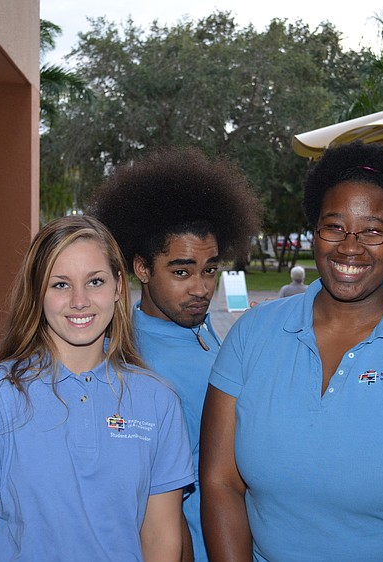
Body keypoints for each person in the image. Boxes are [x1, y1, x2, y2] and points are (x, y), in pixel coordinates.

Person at [200, 140, 383, 562]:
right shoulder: (252, 333)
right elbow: (220, 483)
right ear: (315, 230)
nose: (350, 246)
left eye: (373, 230)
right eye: (334, 226)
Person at [0, 216, 194, 560]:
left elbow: (162, 542)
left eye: (95, 281)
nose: (79, 301)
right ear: (37, 292)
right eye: (60, 285)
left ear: (117, 287)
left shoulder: (159, 401)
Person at [89, 146, 262, 561]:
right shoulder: (135, 365)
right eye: (181, 272)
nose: (201, 288)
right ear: (142, 269)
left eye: (210, 269)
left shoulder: (197, 328)